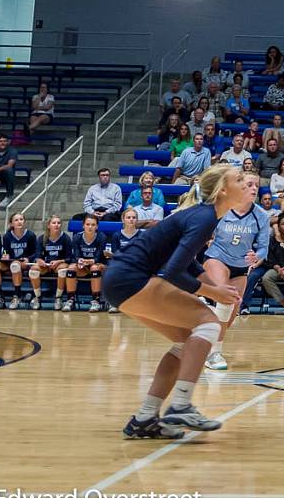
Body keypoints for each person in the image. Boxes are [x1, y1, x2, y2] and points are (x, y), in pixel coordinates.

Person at [102, 164, 246, 437]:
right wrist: (214, 293)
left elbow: (186, 262)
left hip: (119, 281)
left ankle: (144, 418)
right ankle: (181, 405)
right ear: (223, 190)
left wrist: (215, 286)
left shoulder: (204, 216)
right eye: (239, 179)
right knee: (209, 323)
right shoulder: (204, 217)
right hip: (131, 278)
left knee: (186, 341)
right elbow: (173, 272)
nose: (247, 183)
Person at [201, 171, 269, 371]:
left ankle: (206, 332)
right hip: (217, 257)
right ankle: (214, 353)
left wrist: (257, 256)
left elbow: (264, 246)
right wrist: (205, 237)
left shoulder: (261, 216)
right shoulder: (223, 208)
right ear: (239, 187)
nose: (254, 188)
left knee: (230, 313)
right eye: (249, 184)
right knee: (225, 298)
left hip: (241, 266)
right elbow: (204, 226)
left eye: (256, 185)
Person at [65, 214, 109, 312]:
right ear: (83, 225)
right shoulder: (77, 237)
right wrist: (80, 261)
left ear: (97, 226)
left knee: (94, 268)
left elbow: (99, 256)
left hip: (99, 265)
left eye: (93, 225)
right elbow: (76, 255)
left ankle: (95, 301)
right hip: (83, 266)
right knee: (71, 267)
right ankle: (70, 300)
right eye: (88, 224)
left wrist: (91, 261)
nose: (90, 227)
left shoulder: (102, 237)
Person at [32, 215, 73, 311]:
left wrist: (59, 261)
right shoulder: (42, 238)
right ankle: (38, 297)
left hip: (60, 264)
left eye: (59, 223)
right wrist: (39, 260)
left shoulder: (65, 238)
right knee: (33, 270)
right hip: (46, 265)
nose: (57, 225)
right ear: (48, 225)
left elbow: (69, 258)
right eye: (54, 223)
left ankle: (58, 298)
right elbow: (37, 255)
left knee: (63, 270)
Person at [1, 212, 37, 310]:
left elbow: (35, 252)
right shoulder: (7, 236)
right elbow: (5, 250)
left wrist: (28, 258)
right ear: (11, 224)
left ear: (24, 222)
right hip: (11, 262)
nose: (19, 222)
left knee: (16, 265)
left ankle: (17, 295)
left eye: (21, 219)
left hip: (26, 263)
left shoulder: (31, 235)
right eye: (16, 220)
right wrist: (5, 255)